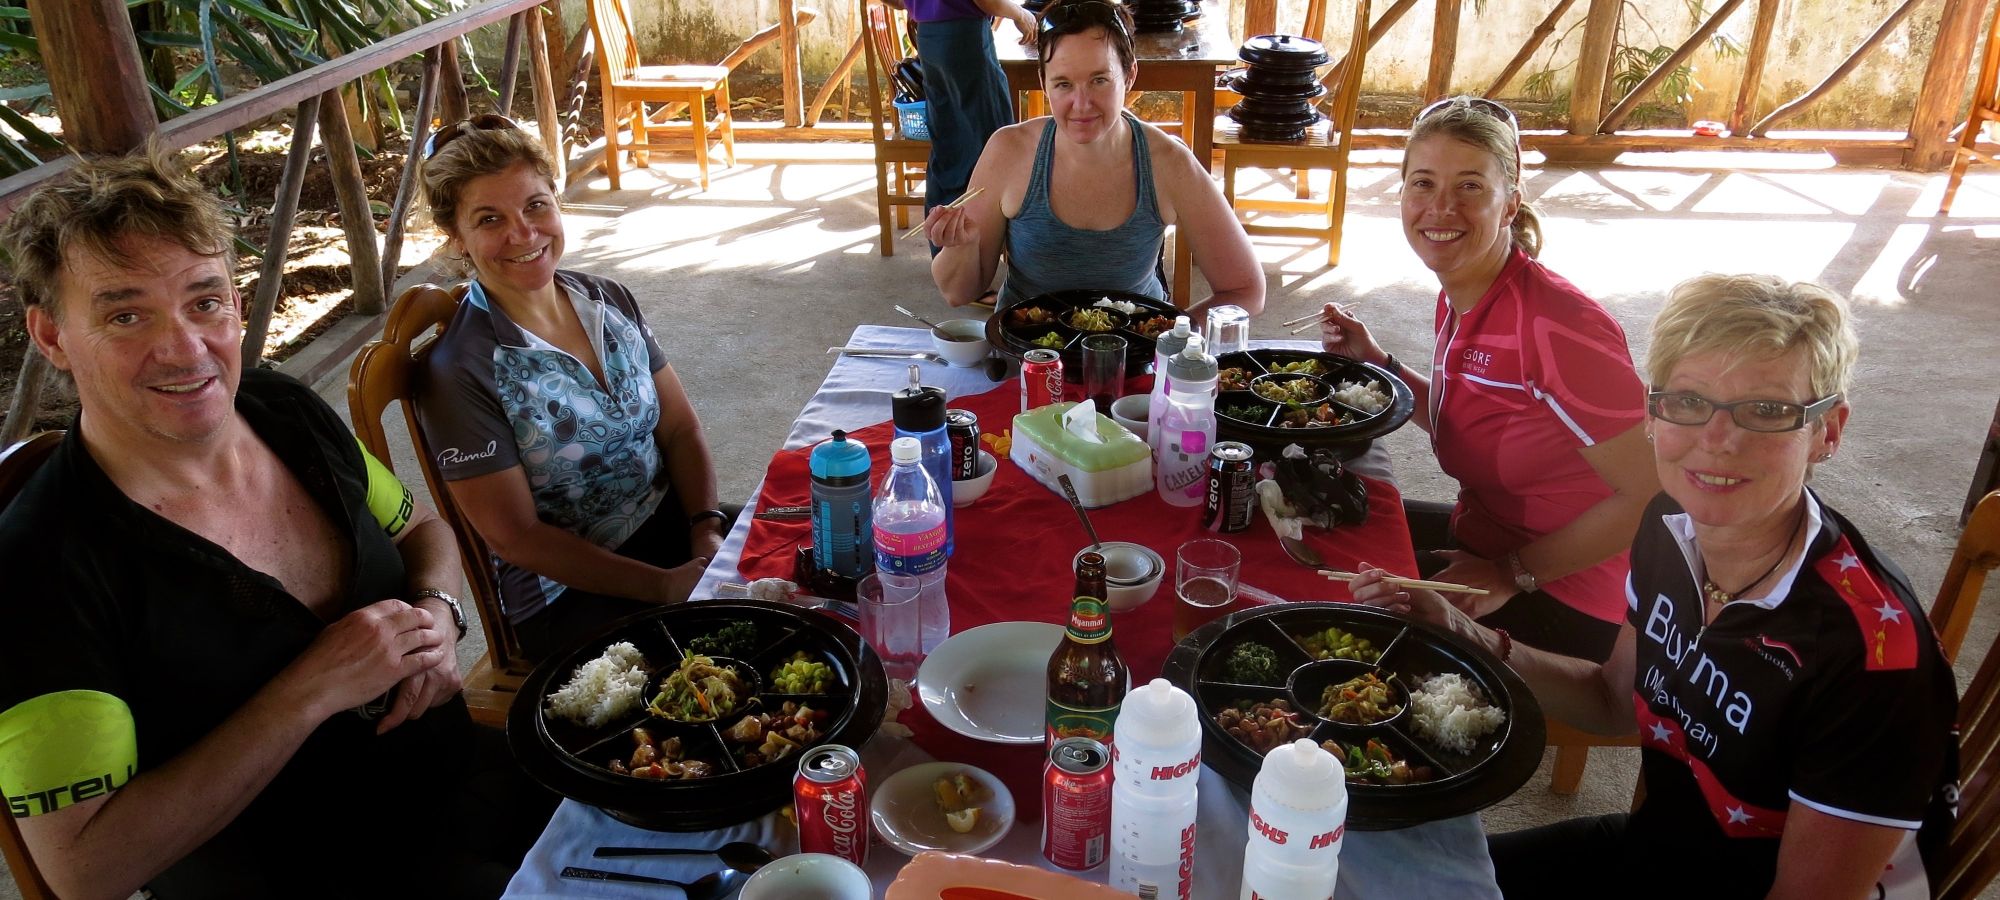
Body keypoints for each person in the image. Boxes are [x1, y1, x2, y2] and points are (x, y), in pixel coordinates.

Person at [0, 147, 550, 898]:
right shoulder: (37, 567)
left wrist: (437, 610)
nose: (185, 349)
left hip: (464, 785)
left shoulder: (282, 410)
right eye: (125, 314)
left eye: (204, 301)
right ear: (52, 336)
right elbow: (86, 869)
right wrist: (307, 692)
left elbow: (421, 528)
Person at [1354, 275, 1959, 899]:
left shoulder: (1872, 659)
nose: (1717, 442)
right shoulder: (1669, 526)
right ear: (1652, 412)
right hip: (1658, 855)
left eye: (1768, 410)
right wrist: (1460, 628)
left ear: (1827, 431)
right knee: (1370, 873)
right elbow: (1612, 700)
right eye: (1689, 401)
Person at [1319, 96, 1656, 662]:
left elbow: (1654, 493)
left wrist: (1511, 574)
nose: (1441, 208)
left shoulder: (1559, 327)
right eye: (1422, 183)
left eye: (1471, 186)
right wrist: (1381, 362)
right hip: (1484, 534)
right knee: (1327, 533)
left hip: (1570, 593)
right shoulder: (1465, 292)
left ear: (1510, 204)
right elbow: (1469, 421)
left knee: (1344, 626)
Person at [413, 115, 730, 661]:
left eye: (535, 205)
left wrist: (706, 528)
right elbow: (517, 538)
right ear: (457, 239)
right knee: (740, 670)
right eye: (490, 219)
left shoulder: (607, 299)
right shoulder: (461, 371)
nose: (524, 234)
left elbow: (680, 428)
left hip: (671, 528)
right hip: (567, 595)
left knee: (818, 561)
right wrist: (665, 588)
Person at [924, 0, 1263, 315]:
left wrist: (1171, 343)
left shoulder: (1168, 161)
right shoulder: (1008, 151)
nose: (1081, 104)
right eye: (1063, 84)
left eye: (1099, 80)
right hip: (1028, 362)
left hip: (1131, 359)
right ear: (1043, 82)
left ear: (1129, 76)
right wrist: (961, 246)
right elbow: (957, 293)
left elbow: (1245, 288)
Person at [906, 0, 1036, 232]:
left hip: (929, 37)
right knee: (993, 146)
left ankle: (944, 244)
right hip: (964, 38)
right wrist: (1020, 14)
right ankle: (979, 245)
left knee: (948, 149)